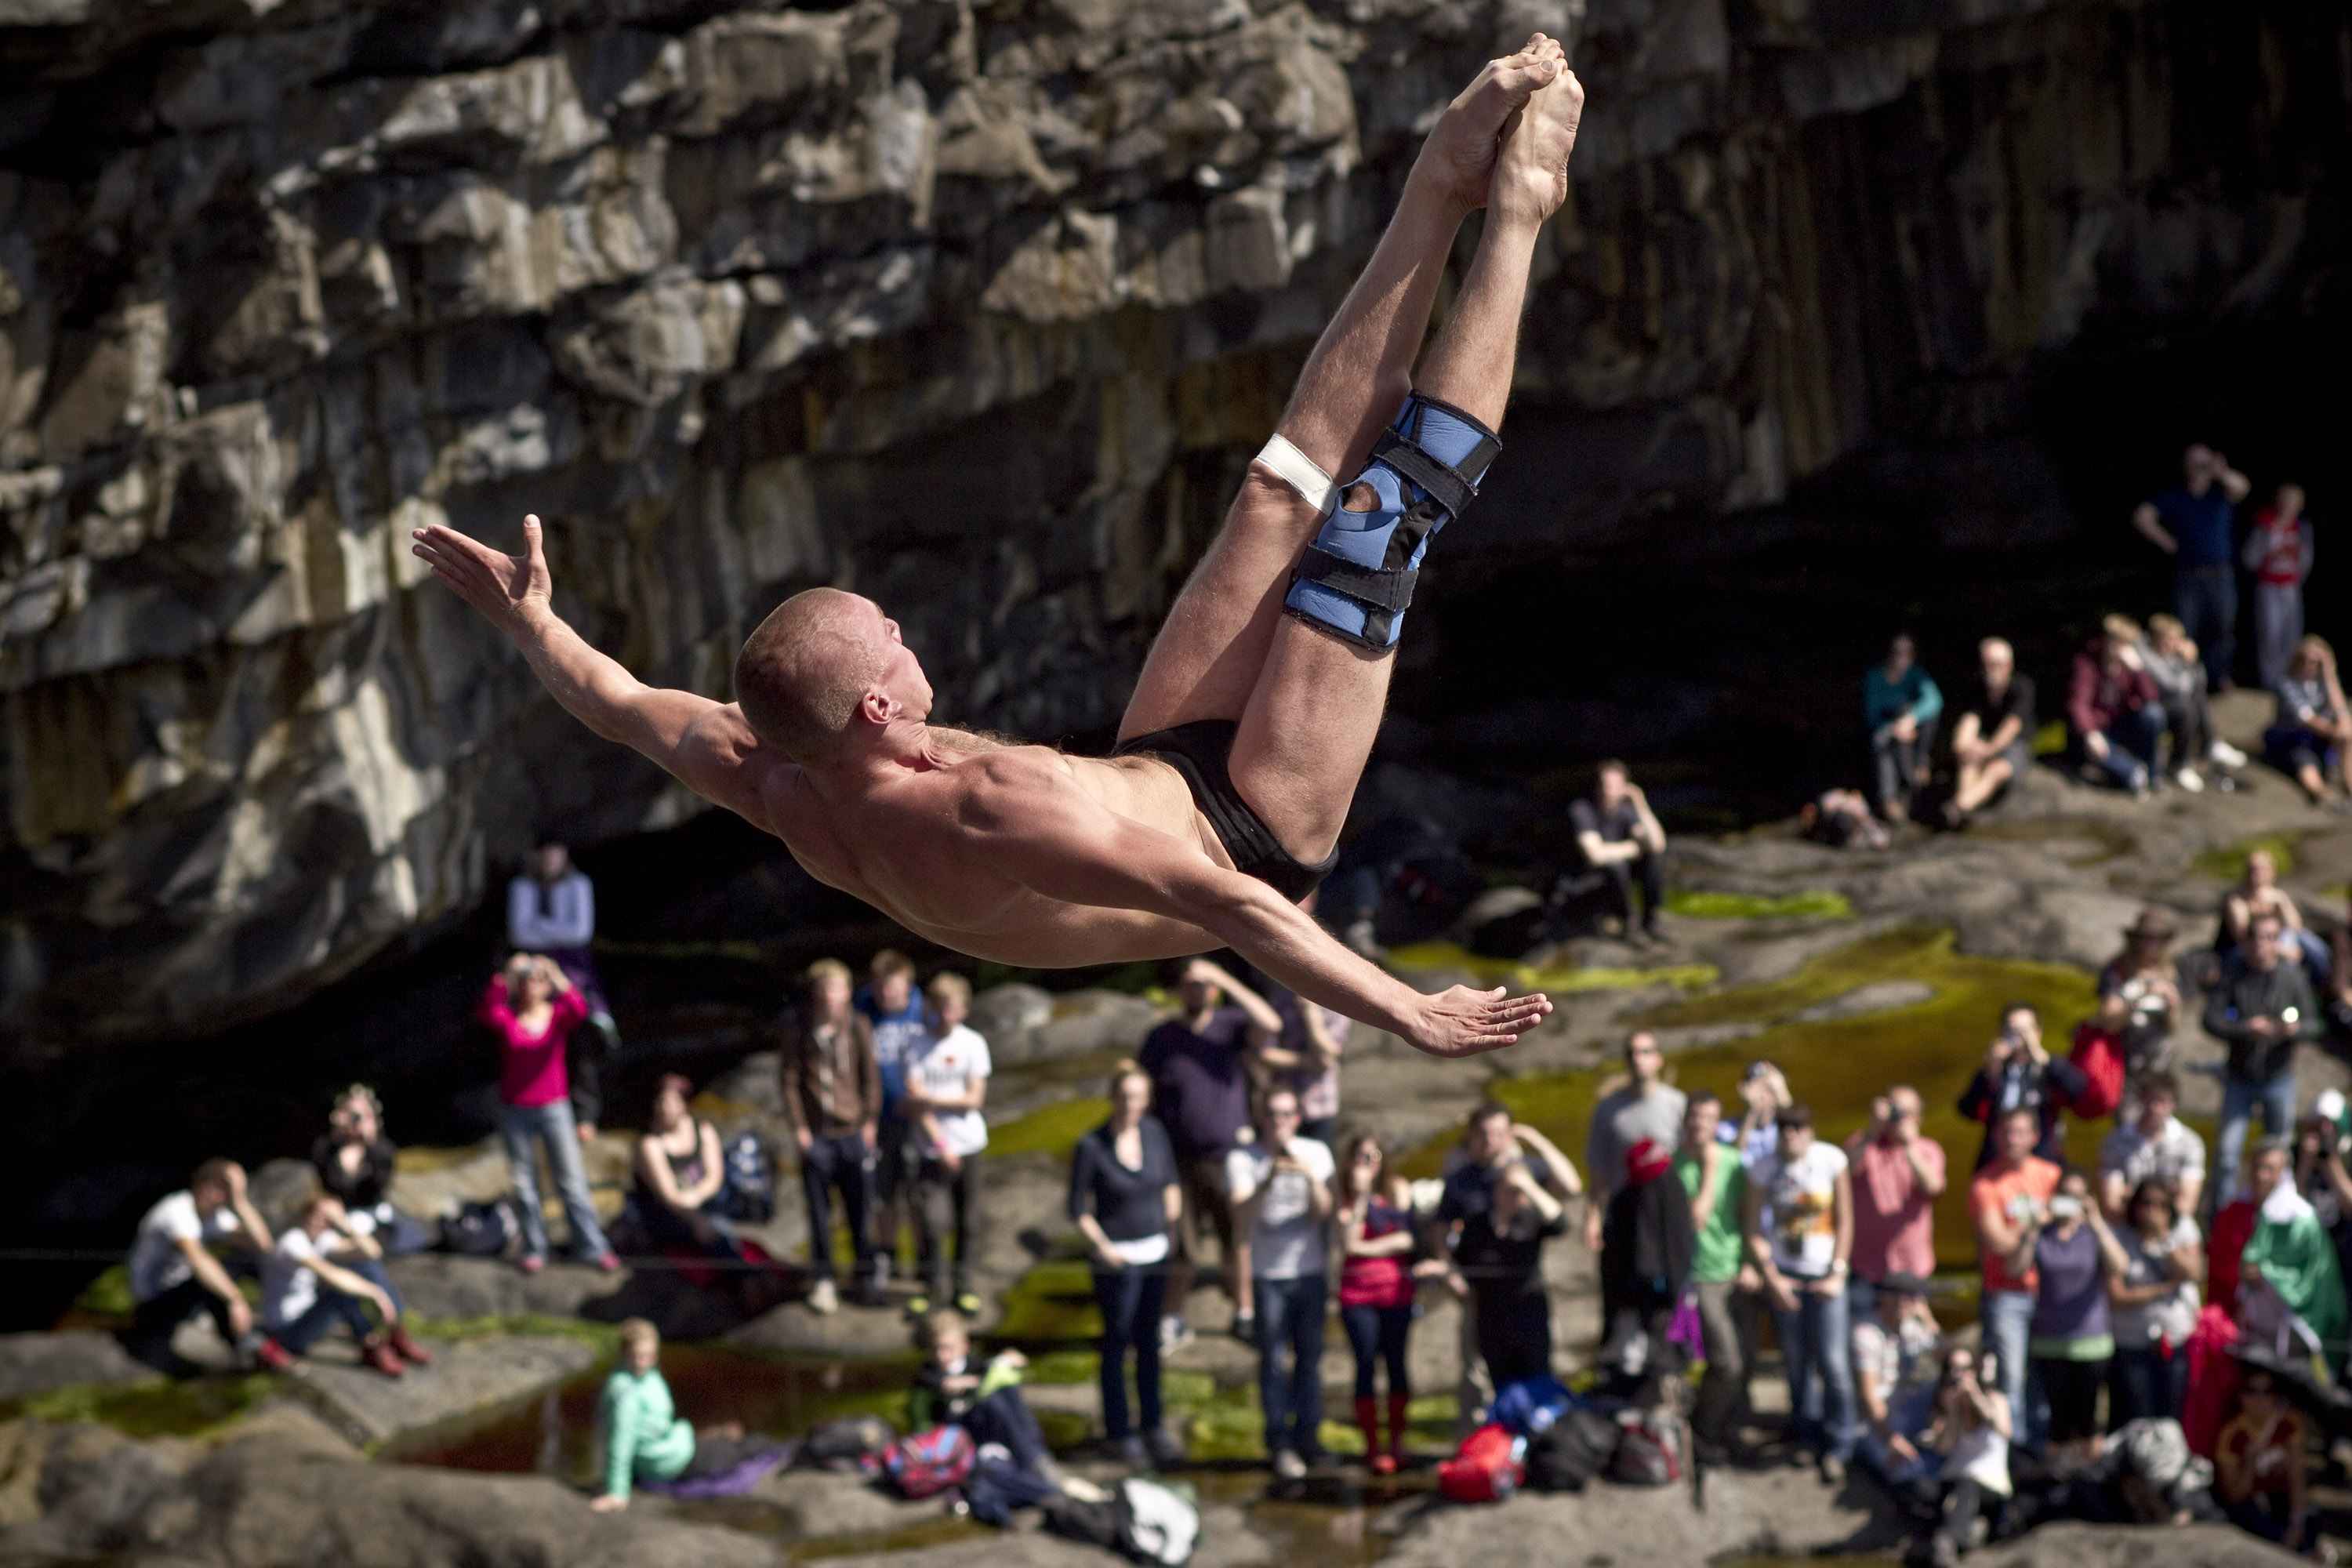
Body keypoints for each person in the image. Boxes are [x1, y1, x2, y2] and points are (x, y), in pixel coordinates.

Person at [409, 42, 1584, 1062]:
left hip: (1162, 772)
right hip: (1260, 835)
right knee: (1378, 520)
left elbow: (619, 704)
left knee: (1279, 490)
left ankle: (1436, 186)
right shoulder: (988, 807)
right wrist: (1406, 1012)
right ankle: (1523, 210)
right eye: (894, 642)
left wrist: (534, 624)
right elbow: (1230, 905)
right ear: (875, 707)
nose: (914, 641)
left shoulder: (771, 767)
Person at [1141, 957, 1280, 1349]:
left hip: (1229, 1156)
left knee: (1236, 1241)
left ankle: (1244, 1315)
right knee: (1181, 1245)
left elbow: (1271, 1024)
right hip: (1178, 1160)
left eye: (1203, 985)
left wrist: (1221, 976)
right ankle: (1171, 1320)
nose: (1196, 991)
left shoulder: (1230, 1026)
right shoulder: (1162, 1037)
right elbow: (1145, 1093)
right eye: (1190, 984)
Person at [1067, 1061, 1184, 1469]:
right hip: (1116, 1259)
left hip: (1155, 1254)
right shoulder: (1092, 1145)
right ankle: (1120, 1431)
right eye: (1125, 1096)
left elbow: (1170, 1184)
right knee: (1117, 1343)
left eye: (1139, 1096)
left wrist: (1173, 1234)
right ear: (1113, 1097)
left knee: (1150, 1343)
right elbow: (1078, 1208)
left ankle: (1153, 1425)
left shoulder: (1154, 1134)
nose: (1132, 1104)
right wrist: (1102, 1246)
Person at [1432, 1102, 1579, 1409]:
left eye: (1499, 1133)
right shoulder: (1462, 1180)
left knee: (1536, 1369)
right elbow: (1440, 1228)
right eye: (1484, 1134)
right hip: (1480, 1293)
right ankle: (1486, 1442)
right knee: (1482, 1373)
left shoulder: (1528, 1169)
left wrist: (1535, 1140)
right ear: (1472, 1136)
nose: (1491, 1141)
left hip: (1526, 1289)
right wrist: (1449, 1270)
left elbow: (1571, 1187)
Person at [481, 953, 615, 1274]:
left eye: (537, 980)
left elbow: (580, 1008)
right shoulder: (509, 1017)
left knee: (571, 1180)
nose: (533, 984)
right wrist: (506, 975)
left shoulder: (557, 1017)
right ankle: (534, 1247)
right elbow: (488, 1012)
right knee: (525, 1184)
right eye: (528, 980)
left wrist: (555, 974)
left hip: (554, 1108)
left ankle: (593, 1247)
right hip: (516, 1111)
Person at [1227, 1086, 1337, 1479]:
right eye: (1273, 1115)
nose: (1280, 1123)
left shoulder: (1317, 1153)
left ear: (1298, 1117)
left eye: (1288, 1115)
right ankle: (1279, 1443)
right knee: (1272, 1362)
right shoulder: (1243, 1158)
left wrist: (1309, 1179)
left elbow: (1324, 1214)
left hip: (1309, 1272)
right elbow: (1241, 1216)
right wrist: (1268, 1179)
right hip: (1266, 1276)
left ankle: (1310, 1438)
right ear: (1261, 1117)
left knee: (1310, 1360)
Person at [1747, 1104, 1857, 1482]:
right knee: (1796, 1364)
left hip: (1825, 1276)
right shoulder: (1764, 1168)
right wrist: (1771, 1277)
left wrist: (1838, 1271)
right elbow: (1753, 1229)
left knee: (1834, 1364)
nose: (1790, 1135)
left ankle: (1840, 1442)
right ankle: (1805, 1435)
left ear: (1810, 1131)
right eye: (1784, 1128)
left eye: (1798, 1128)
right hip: (1786, 1275)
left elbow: (1845, 1219)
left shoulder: (1830, 1160)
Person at [778, 957, 883, 1314]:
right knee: (819, 1213)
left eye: (836, 989)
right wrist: (801, 1130)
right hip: (817, 1135)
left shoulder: (858, 1026)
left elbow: (871, 1077)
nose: (829, 997)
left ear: (848, 992)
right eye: (823, 989)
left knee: (860, 1208)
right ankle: (824, 1278)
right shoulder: (799, 1028)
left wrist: (870, 1122)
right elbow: (789, 1081)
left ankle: (865, 1276)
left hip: (852, 1132)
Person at [591, 1319, 786, 1511]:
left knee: (734, 1438)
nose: (643, 1362)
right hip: (668, 1462)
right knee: (745, 1450)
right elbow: (620, 1444)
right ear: (624, 1353)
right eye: (637, 1356)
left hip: (671, 1446)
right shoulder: (626, 1394)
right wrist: (617, 1492)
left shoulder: (645, 1376)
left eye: (649, 1356)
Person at [2205, 912, 2322, 1207]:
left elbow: (2315, 1024)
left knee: (2280, 1155)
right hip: (2239, 1077)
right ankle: (2224, 1220)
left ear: (2278, 941)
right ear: (2246, 941)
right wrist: (2245, 1028)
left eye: (2270, 937)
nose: (2262, 945)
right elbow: (2210, 1019)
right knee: (2228, 1155)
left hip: (2278, 1078)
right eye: (2256, 937)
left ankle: (2277, 1215)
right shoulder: (2234, 975)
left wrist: (2292, 1030)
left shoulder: (2292, 977)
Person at [506, 838, 619, 1138]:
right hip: (533, 970)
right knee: (531, 1034)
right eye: (544, 852)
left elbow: (580, 932)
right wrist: (556, 934)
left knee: (582, 1033)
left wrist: (540, 931)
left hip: (574, 970)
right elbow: (519, 934)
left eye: (556, 852)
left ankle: (584, 1116)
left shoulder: (578, 884)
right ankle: (533, 1108)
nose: (551, 858)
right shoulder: (523, 886)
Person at [2012, 1169, 2127, 1464]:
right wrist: (2032, 1230)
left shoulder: (2093, 1235)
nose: (2070, 1202)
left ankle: (2088, 1479)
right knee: (2059, 1422)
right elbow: (2015, 1269)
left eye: (2077, 1196)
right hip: (2049, 1342)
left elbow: (2120, 1266)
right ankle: (2061, 1481)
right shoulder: (2043, 1235)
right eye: (2065, 1195)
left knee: (2088, 1419)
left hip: (2091, 1341)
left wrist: (2097, 1222)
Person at [122, 1159, 270, 1373]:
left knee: (241, 1261)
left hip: (179, 1293)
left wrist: (240, 1201)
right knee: (214, 1277)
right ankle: (244, 1343)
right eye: (220, 1189)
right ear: (202, 1184)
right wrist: (235, 1299)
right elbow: (198, 1258)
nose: (222, 1198)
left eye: (227, 1192)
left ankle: (249, 1336)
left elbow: (263, 1245)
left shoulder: (214, 1216)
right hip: (152, 1302)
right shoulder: (177, 1211)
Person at [256, 1194, 430, 1377]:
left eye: (330, 1219)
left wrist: (345, 1226)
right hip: (286, 1331)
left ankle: (396, 1332)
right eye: (320, 1216)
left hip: (310, 1316)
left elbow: (372, 1252)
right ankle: (372, 1344)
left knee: (366, 1267)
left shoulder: (321, 1239)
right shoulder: (292, 1242)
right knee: (343, 1292)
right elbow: (331, 1276)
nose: (324, 1223)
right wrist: (375, 1293)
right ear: (305, 1215)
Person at [1970, 1108, 2062, 1443]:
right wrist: (2037, 1222)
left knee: (2045, 1374)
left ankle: (2040, 1445)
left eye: (2020, 1132)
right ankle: (2013, 1448)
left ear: (2035, 1137)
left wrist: (2021, 1231)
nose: (2013, 1139)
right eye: (2007, 1132)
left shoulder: (2051, 1175)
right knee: (2010, 1376)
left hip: (2051, 1293)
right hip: (2006, 1294)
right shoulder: (1985, 1184)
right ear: (1996, 1136)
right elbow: (1998, 1242)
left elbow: (2069, 1221)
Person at [903, 971, 992, 1318]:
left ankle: (963, 1286)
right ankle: (932, 1288)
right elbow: (915, 1103)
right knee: (931, 1221)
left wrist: (931, 1100)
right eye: (940, 1007)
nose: (945, 1015)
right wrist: (941, 1144)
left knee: (968, 1221)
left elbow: (974, 1099)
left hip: (970, 1145)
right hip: (931, 1148)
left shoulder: (973, 1044)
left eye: (952, 1008)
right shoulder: (917, 1045)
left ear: (964, 1010)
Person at [2131, 443, 2252, 693]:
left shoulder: (2219, 493)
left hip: (2220, 573)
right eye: (2195, 463)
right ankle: (2189, 680)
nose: (2200, 467)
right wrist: (2166, 542)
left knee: (2223, 627)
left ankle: (2220, 676)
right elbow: (2142, 516)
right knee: (2185, 628)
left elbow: (2243, 487)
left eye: (2204, 462)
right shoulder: (2176, 495)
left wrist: (2220, 472)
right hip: (2187, 574)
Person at [1336, 1134, 1421, 1475]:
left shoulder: (1396, 1189)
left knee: (1398, 1364)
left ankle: (1397, 1443)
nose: (1367, 1163)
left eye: (1373, 1156)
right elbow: (1348, 1243)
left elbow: (1410, 1237)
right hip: (1357, 1296)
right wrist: (1360, 1198)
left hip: (1396, 1293)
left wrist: (1368, 1247)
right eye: (1360, 1157)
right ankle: (1372, 1446)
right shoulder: (1345, 1197)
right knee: (1366, 1364)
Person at [1676, 1092, 1753, 1462]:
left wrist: (1750, 1264)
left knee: (1744, 1363)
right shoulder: (1676, 1165)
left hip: (1735, 1271)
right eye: (1695, 1117)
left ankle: (1723, 1430)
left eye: (1709, 1118)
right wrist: (1708, 1170)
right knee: (1726, 1362)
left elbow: (1750, 1216)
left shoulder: (1735, 1161)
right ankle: (1703, 1430)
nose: (1701, 1125)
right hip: (1700, 1276)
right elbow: (1695, 1220)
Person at [2241, 1138, 2349, 1377]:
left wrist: (2265, 1273)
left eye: (2269, 1169)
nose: (2261, 1176)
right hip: (2259, 1329)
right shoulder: (2241, 1211)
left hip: (2297, 1331)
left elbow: (2308, 1276)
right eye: (2257, 1167)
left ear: (2283, 1173)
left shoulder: (2297, 1217)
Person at [857, 949, 929, 1295]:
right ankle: (886, 1258)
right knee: (883, 1196)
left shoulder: (925, 1011)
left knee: (916, 1194)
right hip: (878, 1119)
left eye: (894, 989)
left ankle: (923, 1265)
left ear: (908, 985)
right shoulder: (862, 1011)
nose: (887, 995)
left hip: (917, 1119)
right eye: (881, 988)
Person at [908, 1310, 1053, 1477]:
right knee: (991, 1401)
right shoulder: (927, 1376)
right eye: (936, 1349)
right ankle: (1031, 1459)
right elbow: (921, 1421)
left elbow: (991, 1370)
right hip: (957, 1433)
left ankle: (1035, 1452)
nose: (942, 1356)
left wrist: (1010, 1360)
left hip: (985, 1425)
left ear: (964, 1346)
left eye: (948, 1348)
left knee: (1008, 1392)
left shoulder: (973, 1363)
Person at [2107, 1177, 2202, 1426]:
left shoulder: (2182, 1231)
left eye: (2161, 1205)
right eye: (2146, 1204)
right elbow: (2118, 1296)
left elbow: (2194, 1273)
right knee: (2137, 1418)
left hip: (2174, 1339)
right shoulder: (2120, 1237)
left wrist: (2164, 1238)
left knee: (2171, 1418)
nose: (2152, 1211)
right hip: (2132, 1343)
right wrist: (2162, 1289)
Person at [1599, 1136, 1696, 1382]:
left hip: (1663, 1292)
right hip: (1636, 1294)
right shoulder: (1626, 1196)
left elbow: (1678, 1243)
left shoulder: (1667, 1186)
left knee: (1667, 1357)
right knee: (1637, 1359)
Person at [1583, 1032, 1688, 1255]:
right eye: (1632, 1053)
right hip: (1624, 1212)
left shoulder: (1678, 1104)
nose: (1638, 1059)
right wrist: (1592, 1217)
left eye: (1645, 1052)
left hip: (1669, 1211)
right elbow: (1598, 1170)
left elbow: (1692, 1158)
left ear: (1658, 1059)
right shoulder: (1608, 1109)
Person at [1845, 1086, 1946, 1312]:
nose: (1896, 1118)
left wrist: (1909, 1145)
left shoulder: (1927, 1150)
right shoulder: (1863, 1144)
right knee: (1865, 1341)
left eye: (1905, 1113)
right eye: (1893, 1110)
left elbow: (1933, 1187)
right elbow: (1842, 1174)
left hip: (1912, 1266)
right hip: (1866, 1268)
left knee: (1915, 1340)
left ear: (1918, 1118)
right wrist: (1872, 1131)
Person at [1914, 1345, 2014, 1565]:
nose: (1959, 1374)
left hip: (1990, 1485)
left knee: (1967, 1487)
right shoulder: (1945, 1404)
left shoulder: (1996, 1399)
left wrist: (1975, 1396)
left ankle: (1948, 1542)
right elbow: (1943, 1448)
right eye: (1953, 1368)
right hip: (1954, 1479)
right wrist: (1953, 1413)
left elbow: (2004, 1430)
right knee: (1924, 1488)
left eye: (1965, 1368)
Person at [1957, 1003, 2087, 1170]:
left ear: (2037, 1033)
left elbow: (2079, 1090)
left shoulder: (2048, 1067)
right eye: (2012, 1031)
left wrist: (2042, 1057)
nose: (2019, 1037)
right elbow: (1967, 1110)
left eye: (2025, 1031)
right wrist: (1990, 1072)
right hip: (1998, 1164)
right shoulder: (1994, 1070)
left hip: (2042, 1160)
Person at [309, 1085, 433, 1256]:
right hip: (338, 1217)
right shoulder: (327, 1148)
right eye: (352, 1115)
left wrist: (369, 1139)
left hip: (371, 1215)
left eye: (362, 1116)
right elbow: (325, 1182)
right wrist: (337, 1134)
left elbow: (377, 1185)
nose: (356, 1121)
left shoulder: (381, 1150)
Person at [626, 1073, 731, 1258]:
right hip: (669, 1215)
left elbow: (715, 1176)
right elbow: (669, 1195)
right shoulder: (650, 1145)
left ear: (685, 1104)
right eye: (661, 1102)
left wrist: (696, 1197)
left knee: (719, 1227)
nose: (666, 1109)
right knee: (715, 1234)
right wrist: (695, 1218)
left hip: (703, 1204)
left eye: (672, 1102)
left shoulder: (704, 1131)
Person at [1852, 1272, 1941, 1486]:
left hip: (1911, 1416)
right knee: (1907, 1478)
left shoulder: (1912, 1327)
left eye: (1914, 1298)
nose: (1909, 1303)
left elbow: (1945, 1353)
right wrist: (1891, 1438)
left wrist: (1927, 1318)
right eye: (1906, 1297)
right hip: (1876, 1425)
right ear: (1885, 1297)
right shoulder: (1866, 1333)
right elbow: (1870, 1396)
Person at [2139, 615, 2245, 789]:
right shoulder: (2148, 657)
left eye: (2177, 640)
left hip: (2173, 703)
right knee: (2186, 707)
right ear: (2157, 638)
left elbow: (2199, 681)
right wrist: (2188, 663)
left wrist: (2194, 663)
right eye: (2171, 640)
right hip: (2152, 707)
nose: (2175, 644)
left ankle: (2211, 743)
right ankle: (2181, 764)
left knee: (2196, 697)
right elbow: (2173, 686)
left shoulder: (2170, 654)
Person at [2212, 1370, 2314, 1553]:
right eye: (2252, 1391)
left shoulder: (2289, 1424)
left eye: (2267, 1391)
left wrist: (2296, 1525)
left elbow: (2297, 1480)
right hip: (2249, 1507)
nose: (2260, 1399)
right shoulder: (2232, 1435)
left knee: (2312, 1519)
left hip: (2281, 1502)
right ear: (2241, 1397)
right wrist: (2250, 1463)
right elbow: (2235, 1495)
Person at [1570, 760, 1670, 943]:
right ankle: (1627, 923)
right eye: (1605, 784)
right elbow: (1595, 855)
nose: (1609, 789)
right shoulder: (1583, 809)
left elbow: (1657, 844)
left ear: (1625, 786)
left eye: (1615, 785)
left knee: (1654, 858)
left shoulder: (1627, 810)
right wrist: (1633, 848)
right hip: (1587, 879)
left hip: (1620, 874)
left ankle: (1651, 920)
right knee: (1616, 865)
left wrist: (1641, 804)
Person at [2065, 617, 2165, 797]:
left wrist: (2139, 670)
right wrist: (2090, 732)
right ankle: (2132, 772)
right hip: (2096, 730)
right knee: (2092, 748)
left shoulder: (2130, 667)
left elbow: (2152, 698)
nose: (2118, 647)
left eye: (2124, 643)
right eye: (2114, 640)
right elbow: (2079, 703)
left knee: (2154, 714)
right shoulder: (2087, 662)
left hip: (2121, 724)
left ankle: (2151, 773)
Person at [1944, 637, 2034, 826]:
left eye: (1996, 664)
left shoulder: (2022, 686)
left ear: (2008, 665)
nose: (1991, 668)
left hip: (2014, 745)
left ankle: (1960, 805)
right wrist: (1963, 745)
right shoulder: (1977, 686)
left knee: (1997, 770)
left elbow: (2012, 726)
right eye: (1987, 663)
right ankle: (1964, 808)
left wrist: (1987, 750)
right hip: (1985, 742)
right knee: (1968, 760)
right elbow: (1970, 720)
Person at [2097, 1072, 2206, 1223]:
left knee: (2188, 1232)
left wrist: (2156, 1216)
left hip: (2172, 1225)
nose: (2155, 1108)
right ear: (2141, 1100)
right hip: (2127, 1223)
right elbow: (2112, 1205)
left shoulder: (2190, 1143)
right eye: (2150, 1100)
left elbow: (2187, 1205)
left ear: (2173, 1105)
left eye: (2162, 1101)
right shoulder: (2116, 1141)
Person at [1258, 967, 1348, 1148]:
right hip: (1282, 1107)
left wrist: (1311, 1014)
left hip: (1320, 1107)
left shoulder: (1336, 1001)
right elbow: (1265, 1053)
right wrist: (1308, 1062)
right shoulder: (1281, 997)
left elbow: (1329, 1054)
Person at [2096, 909, 2184, 1084]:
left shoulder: (2171, 973)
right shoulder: (2118, 970)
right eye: (2146, 938)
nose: (2151, 944)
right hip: (2122, 1057)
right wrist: (2141, 995)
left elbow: (2174, 1027)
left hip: (2158, 1059)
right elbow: (2109, 1022)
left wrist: (2173, 1004)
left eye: (2157, 939)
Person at [2265, 635, 2352, 808]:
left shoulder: (2324, 684)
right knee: (2305, 759)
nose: (2310, 665)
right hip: (2293, 739)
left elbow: (2343, 715)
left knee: (2347, 739)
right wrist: (2337, 732)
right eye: (2305, 660)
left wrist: (2330, 676)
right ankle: (2322, 795)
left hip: (2321, 739)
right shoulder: (2287, 684)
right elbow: (2307, 719)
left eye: (2316, 662)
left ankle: (2349, 788)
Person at [2245, 485, 2315, 696]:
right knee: (2270, 633)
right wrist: (2269, 546)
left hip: (2290, 587)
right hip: (2268, 586)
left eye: (2294, 501)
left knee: (2291, 634)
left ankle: (2292, 680)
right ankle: (2271, 681)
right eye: (2285, 499)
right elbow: (2250, 559)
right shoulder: (2265, 525)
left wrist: (2295, 579)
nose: (2289, 505)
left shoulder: (2301, 528)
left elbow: (2306, 560)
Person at [1864, 633, 1944, 822]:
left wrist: (1910, 720)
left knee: (1921, 715)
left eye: (1908, 652)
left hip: (1912, 731)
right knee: (1881, 741)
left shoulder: (1916, 675)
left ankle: (1921, 767)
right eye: (1897, 652)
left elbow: (1934, 700)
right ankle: (1888, 799)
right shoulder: (1875, 677)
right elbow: (1871, 714)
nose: (1902, 657)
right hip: (1885, 729)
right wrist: (1895, 728)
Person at [2216, 848, 2323, 974]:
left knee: (2305, 940)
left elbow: (2296, 927)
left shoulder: (2278, 896)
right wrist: (2279, 949)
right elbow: (2242, 936)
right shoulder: (2236, 899)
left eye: (2262, 869)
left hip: (2273, 944)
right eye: (2254, 869)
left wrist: (2282, 904)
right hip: (2242, 949)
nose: (2257, 873)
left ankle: (2325, 978)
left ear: (2272, 871)